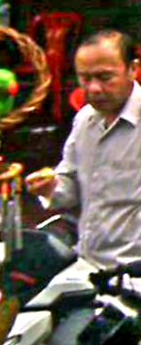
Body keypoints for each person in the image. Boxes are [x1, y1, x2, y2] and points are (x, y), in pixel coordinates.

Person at [26, 29, 141, 269]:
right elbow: (70, 186)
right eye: (85, 78)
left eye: (105, 77)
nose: (94, 88)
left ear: (132, 69)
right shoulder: (85, 120)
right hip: (87, 263)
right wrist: (50, 187)